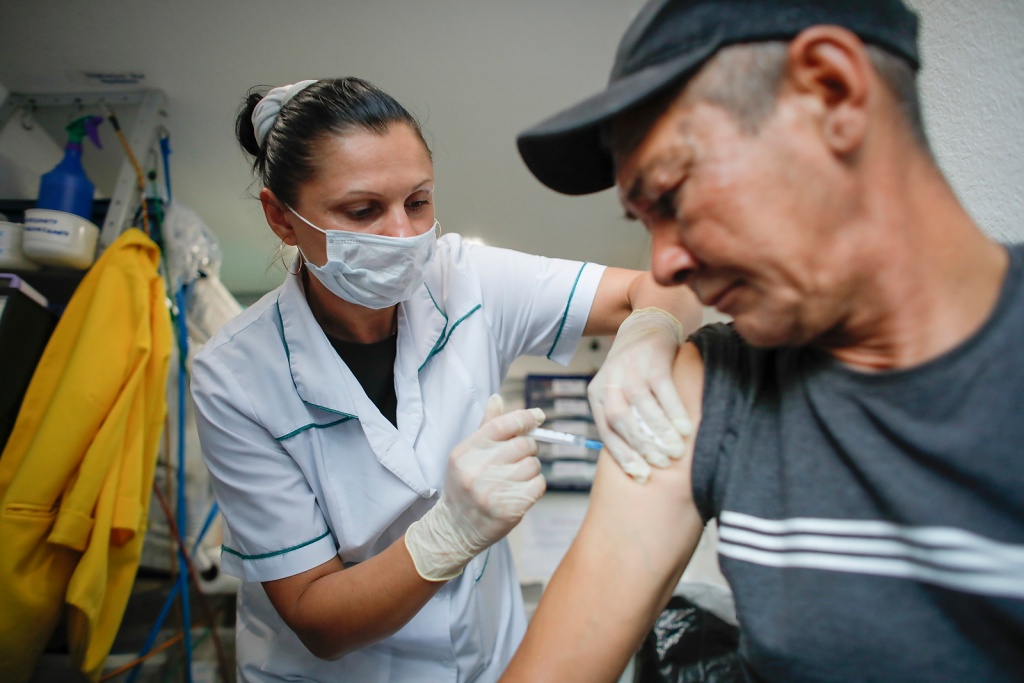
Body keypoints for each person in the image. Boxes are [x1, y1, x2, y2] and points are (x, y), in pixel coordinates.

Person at [502, 0, 1024, 681]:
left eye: (672, 194)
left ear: (830, 91)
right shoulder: (712, 391)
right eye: (642, 221)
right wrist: (652, 328)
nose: (662, 266)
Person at [190, 76, 702, 682]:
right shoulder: (235, 376)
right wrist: (448, 535)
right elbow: (317, 619)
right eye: (362, 211)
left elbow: (669, 283)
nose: (405, 236)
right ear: (281, 218)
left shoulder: (466, 278)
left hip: (487, 659)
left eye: (419, 201)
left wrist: (648, 337)